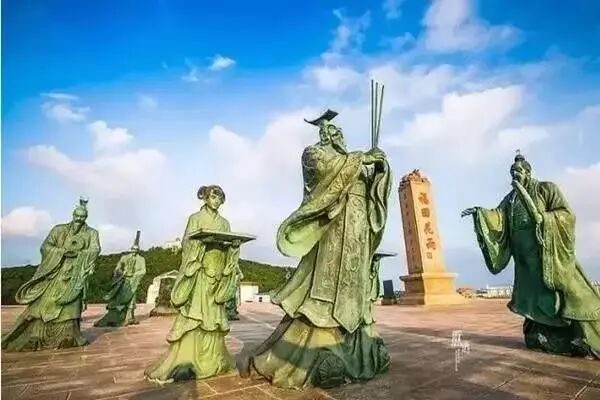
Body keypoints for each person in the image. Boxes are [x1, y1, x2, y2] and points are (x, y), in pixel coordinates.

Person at [244, 110, 392, 389]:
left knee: (354, 280)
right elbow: (323, 175)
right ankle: (320, 337)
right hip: (334, 223)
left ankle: (357, 340)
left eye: (338, 131)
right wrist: (360, 158)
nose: (335, 134)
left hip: (358, 225)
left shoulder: (354, 160)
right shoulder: (314, 154)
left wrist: (379, 169)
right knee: (329, 276)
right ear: (323, 134)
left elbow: (372, 189)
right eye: (330, 131)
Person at [462, 153, 600, 358]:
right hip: (524, 259)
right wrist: (480, 213)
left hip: (547, 255)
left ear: (528, 172)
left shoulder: (546, 188)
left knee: (567, 292)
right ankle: (541, 335)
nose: (515, 175)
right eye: (512, 172)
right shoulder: (511, 199)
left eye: (518, 171)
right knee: (532, 299)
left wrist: (545, 219)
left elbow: (566, 215)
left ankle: (582, 336)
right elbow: (498, 217)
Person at [145, 185, 242, 384]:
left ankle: (214, 358)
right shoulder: (195, 218)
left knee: (214, 316)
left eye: (219, 198)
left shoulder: (224, 223)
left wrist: (233, 247)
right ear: (205, 198)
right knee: (195, 314)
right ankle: (187, 359)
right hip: (199, 272)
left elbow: (227, 246)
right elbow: (187, 243)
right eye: (213, 197)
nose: (216, 201)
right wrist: (201, 244)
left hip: (218, 273)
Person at [2, 197, 100, 351]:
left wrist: (80, 254)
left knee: (69, 307)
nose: (79, 219)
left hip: (75, 274)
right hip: (55, 271)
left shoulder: (92, 233)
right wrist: (61, 252)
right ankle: (36, 335)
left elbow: (95, 249)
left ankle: (67, 336)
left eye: (82, 217)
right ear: (73, 214)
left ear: (85, 217)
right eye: (77, 216)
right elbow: (45, 246)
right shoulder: (58, 229)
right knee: (42, 305)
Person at [94, 231, 146, 327]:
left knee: (131, 298)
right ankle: (113, 316)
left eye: (136, 250)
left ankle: (129, 317)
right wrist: (120, 272)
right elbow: (118, 267)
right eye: (133, 249)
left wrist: (134, 275)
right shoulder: (124, 257)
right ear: (131, 249)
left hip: (133, 281)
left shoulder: (141, 259)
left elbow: (143, 270)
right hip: (123, 280)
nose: (134, 252)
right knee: (117, 297)